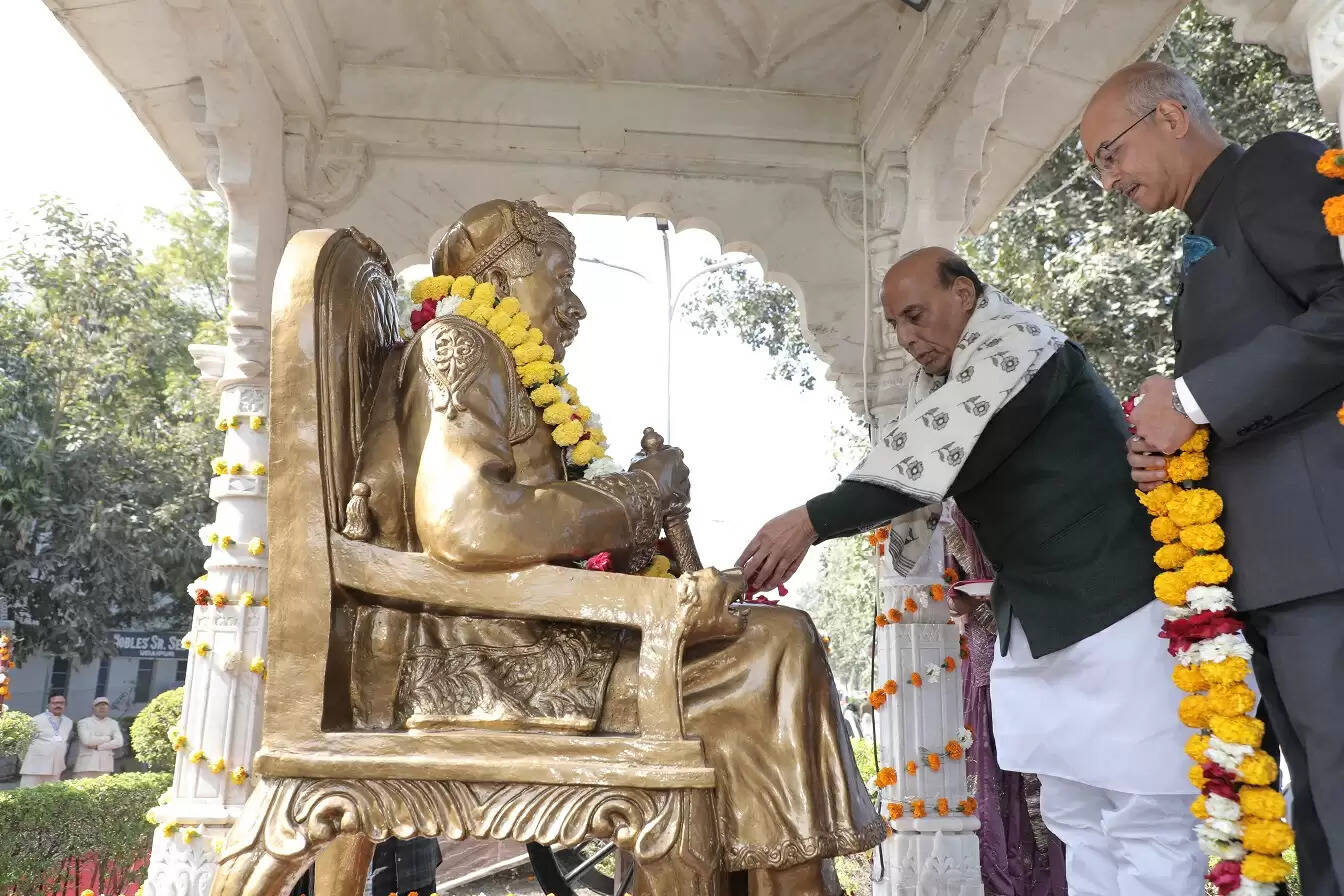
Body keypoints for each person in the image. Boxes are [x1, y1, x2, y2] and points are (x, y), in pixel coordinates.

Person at [346, 199, 883, 894]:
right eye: (559, 277)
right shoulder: (459, 344)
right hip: (477, 653)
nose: (575, 308)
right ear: (500, 274)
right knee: (771, 652)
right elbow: (468, 524)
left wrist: (638, 545)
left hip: (526, 628)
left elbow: (536, 538)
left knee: (775, 640)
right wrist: (637, 496)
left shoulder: (502, 364)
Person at [738, 248, 1203, 895]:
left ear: (964, 293)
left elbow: (924, 466)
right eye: (896, 325)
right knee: (1080, 815)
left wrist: (809, 520)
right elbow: (921, 462)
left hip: (1114, 606)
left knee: (1146, 815)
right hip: (1047, 618)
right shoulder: (954, 390)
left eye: (916, 315)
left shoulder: (1024, 355)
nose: (906, 338)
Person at [1081, 61, 1344, 895]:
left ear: (1170, 115)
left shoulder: (1269, 169)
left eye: (1108, 154)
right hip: (1264, 572)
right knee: (1318, 818)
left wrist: (1195, 397)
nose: (1107, 180)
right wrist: (1168, 448)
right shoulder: (1201, 227)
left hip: (1325, 560)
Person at [943, 506, 1067, 896]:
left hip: (1043, 637)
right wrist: (957, 602)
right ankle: (1005, 875)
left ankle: (1053, 876)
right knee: (993, 759)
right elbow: (948, 587)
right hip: (984, 647)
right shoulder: (945, 510)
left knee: (1045, 765)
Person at [20, 692, 73, 787]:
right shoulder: (36, 720)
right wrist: (27, 761)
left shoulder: (68, 722)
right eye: (55, 703)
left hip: (56, 768)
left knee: (49, 797)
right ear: (48, 704)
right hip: (34, 768)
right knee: (27, 795)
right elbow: (24, 742)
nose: (58, 705)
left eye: (61, 703)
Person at [73, 695, 123, 778]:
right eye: (98, 705)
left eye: (104, 705)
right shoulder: (84, 722)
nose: (102, 707)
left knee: (102, 790)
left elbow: (119, 742)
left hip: (105, 765)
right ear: (93, 708)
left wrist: (98, 747)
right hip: (86, 766)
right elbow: (87, 741)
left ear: (108, 708)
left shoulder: (113, 723)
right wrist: (108, 738)